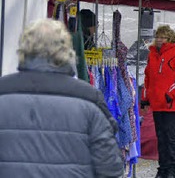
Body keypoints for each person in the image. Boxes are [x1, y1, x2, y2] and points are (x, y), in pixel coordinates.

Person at [0, 19, 123, 177]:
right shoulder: (90, 98)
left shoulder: (3, 92)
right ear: (67, 51)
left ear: (24, 49)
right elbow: (110, 167)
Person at [141, 25, 175, 178]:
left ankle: (171, 170)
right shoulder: (152, 55)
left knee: (170, 138)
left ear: (169, 38)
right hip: (157, 103)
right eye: (157, 37)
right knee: (161, 138)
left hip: (172, 104)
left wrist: (170, 94)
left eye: (162, 37)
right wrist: (145, 99)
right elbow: (148, 78)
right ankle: (162, 169)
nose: (159, 40)